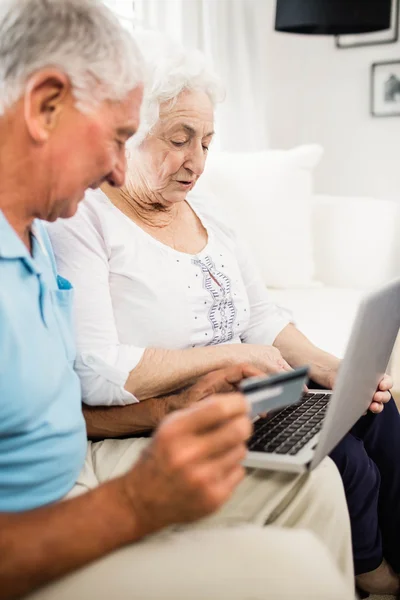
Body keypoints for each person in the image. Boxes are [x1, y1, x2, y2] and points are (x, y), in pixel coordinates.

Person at [0, 2, 354, 600]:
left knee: (313, 485)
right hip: (40, 521)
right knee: (298, 569)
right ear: (46, 105)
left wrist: (170, 411)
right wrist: (136, 502)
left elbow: (57, 407)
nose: (118, 173)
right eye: (118, 138)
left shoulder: (34, 237)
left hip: (82, 470)